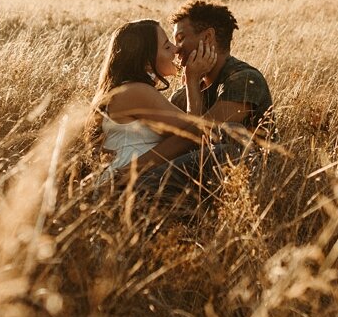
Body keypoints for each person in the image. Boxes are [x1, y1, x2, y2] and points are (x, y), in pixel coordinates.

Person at [93, 18, 253, 203]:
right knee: (229, 146)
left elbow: (186, 137)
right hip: (124, 188)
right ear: (146, 61)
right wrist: (192, 80)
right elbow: (194, 135)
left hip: (132, 180)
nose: (176, 49)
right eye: (167, 46)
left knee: (231, 134)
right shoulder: (135, 91)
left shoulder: (132, 89)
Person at [171, 3, 273, 137]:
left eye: (180, 39)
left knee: (231, 130)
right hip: (188, 158)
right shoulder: (184, 94)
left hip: (239, 158)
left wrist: (192, 80)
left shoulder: (245, 79)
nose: (175, 49)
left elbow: (202, 137)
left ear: (207, 37)